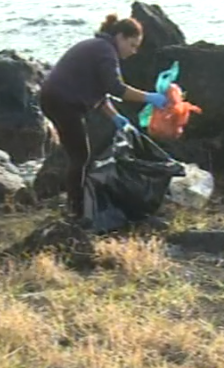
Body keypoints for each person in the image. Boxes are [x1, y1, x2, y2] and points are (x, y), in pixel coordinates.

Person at [39, 13, 168, 219]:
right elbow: (116, 88)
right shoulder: (106, 51)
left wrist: (116, 117)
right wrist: (149, 97)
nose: (134, 51)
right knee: (80, 155)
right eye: (132, 45)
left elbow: (100, 93)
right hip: (62, 101)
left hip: (56, 99)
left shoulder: (100, 47)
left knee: (79, 154)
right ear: (120, 37)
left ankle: (77, 203)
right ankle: (76, 208)